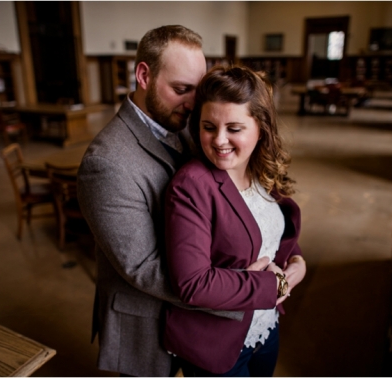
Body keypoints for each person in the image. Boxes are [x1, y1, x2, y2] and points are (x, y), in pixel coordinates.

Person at [77, 26, 267, 377]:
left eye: (197, 89)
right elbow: (142, 267)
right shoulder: (105, 162)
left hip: (198, 317)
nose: (193, 102)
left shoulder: (188, 125)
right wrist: (235, 287)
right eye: (181, 89)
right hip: (147, 319)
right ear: (144, 75)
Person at [163, 65, 307, 376]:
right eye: (209, 126)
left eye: (234, 128)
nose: (219, 140)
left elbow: (269, 232)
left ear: (260, 127)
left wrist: (297, 259)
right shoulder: (192, 185)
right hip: (218, 344)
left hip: (265, 327)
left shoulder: (262, 172)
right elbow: (193, 283)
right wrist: (275, 283)